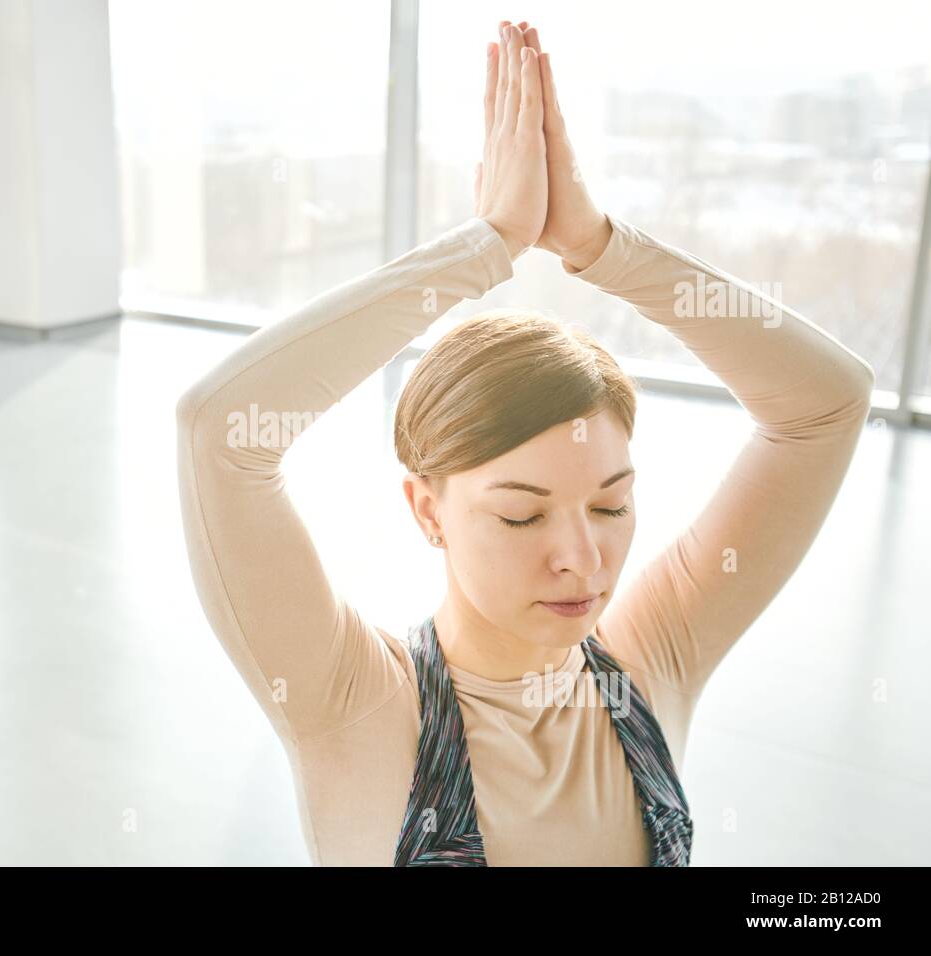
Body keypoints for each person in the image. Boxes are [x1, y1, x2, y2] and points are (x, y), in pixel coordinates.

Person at [174, 20, 874, 866]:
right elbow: (220, 432)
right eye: (520, 516)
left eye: (611, 504)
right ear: (426, 509)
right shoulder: (356, 704)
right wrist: (488, 247)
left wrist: (600, 247)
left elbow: (829, 403)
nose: (583, 559)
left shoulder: (648, 664)